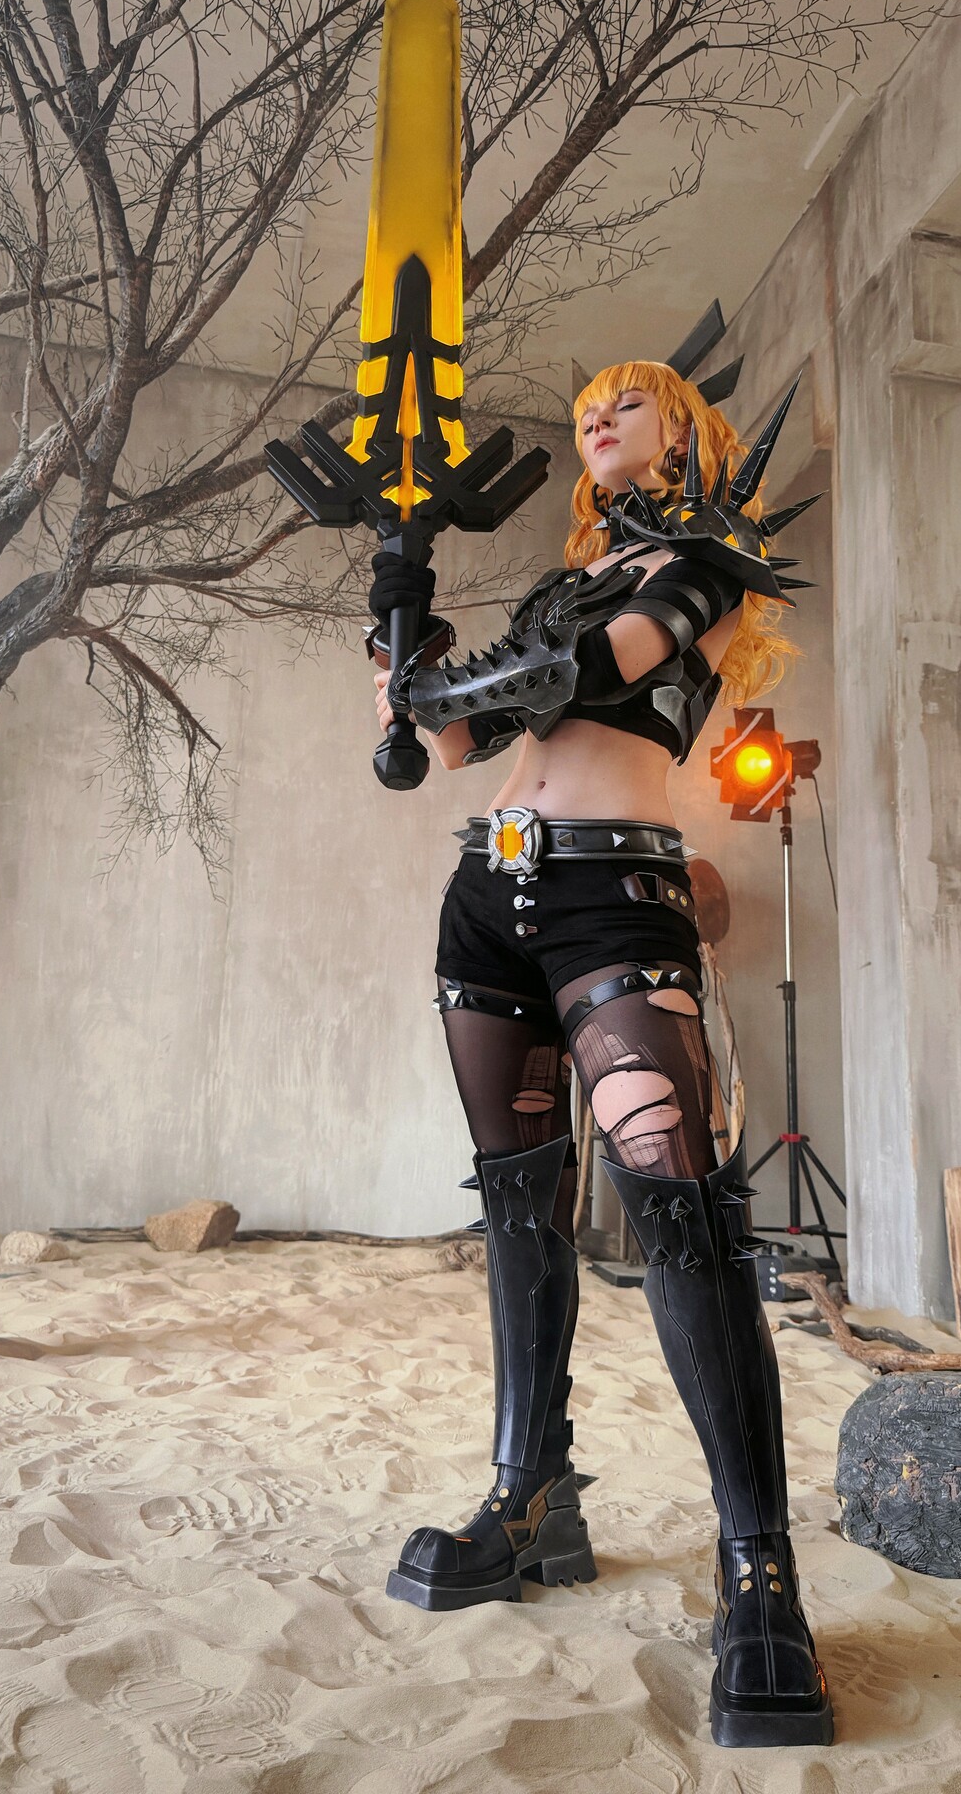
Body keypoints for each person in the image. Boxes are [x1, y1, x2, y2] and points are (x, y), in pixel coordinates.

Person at [370, 360, 833, 1750]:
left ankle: (759, 1567)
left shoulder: (704, 564)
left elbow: (582, 674)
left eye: (629, 400)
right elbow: (453, 743)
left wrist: (445, 678)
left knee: (679, 1209)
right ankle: (529, 1500)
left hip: (612, 892)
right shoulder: (561, 586)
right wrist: (399, 616)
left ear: (684, 431)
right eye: (591, 405)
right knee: (519, 1204)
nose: (597, 414)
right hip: (488, 892)